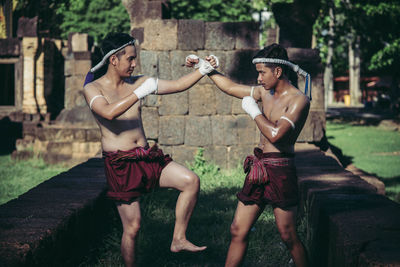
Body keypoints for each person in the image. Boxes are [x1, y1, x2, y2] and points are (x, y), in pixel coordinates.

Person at [83, 32, 217, 267]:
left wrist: (203, 69)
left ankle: (178, 238)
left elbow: (177, 85)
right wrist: (140, 92)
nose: (135, 64)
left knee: (190, 181)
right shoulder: (93, 89)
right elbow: (108, 112)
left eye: (135, 59)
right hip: (120, 163)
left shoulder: (138, 82)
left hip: (146, 157)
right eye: (130, 59)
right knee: (133, 227)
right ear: (114, 59)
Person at [186, 43, 310, 267]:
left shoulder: (298, 99)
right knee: (237, 229)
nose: (259, 78)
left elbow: (276, 135)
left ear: (278, 71)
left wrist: (254, 112)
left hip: (281, 170)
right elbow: (232, 88)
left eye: (262, 72)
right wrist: (206, 69)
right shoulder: (265, 91)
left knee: (287, 235)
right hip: (258, 168)